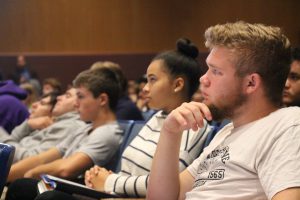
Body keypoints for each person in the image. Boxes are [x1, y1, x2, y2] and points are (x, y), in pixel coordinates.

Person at [30, 38, 212, 200]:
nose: (145, 88)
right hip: (115, 192)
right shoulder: (157, 117)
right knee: (30, 188)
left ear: (177, 85)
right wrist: (100, 175)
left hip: (121, 193)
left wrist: (110, 181)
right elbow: (128, 171)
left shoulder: (193, 124)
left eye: (152, 80)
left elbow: (168, 185)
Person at [147, 21, 300, 200]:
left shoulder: (288, 126)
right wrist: (170, 132)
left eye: (216, 71)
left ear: (251, 83)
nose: (203, 79)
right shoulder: (227, 132)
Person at [5, 68, 124, 200]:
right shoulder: (85, 129)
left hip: (85, 194)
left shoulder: (108, 132)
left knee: (45, 196)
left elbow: (66, 169)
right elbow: (42, 158)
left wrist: (32, 172)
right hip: (66, 188)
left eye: (81, 96)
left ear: (102, 100)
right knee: (21, 186)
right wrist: (5, 175)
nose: (76, 103)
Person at [0, 88, 84, 163]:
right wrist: (28, 125)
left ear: (78, 104)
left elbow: (28, 161)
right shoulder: (55, 124)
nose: (59, 98)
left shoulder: (68, 126)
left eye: (67, 96)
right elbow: (10, 142)